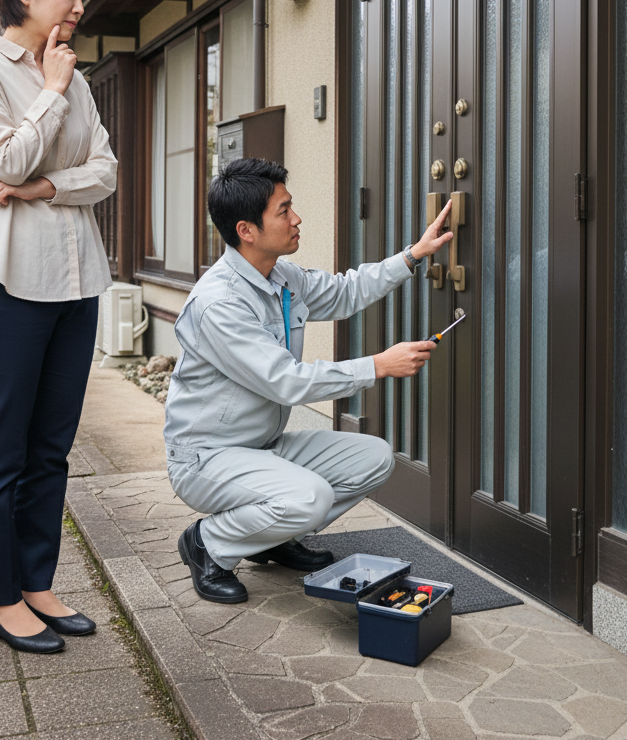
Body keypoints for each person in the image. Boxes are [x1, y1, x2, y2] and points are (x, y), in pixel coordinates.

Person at [164, 157, 454, 603]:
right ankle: (209, 544)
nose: (296, 218)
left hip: (260, 448)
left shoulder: (281, 276)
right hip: (207, 458)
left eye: (291, 206)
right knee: (311, 497)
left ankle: (267, 537)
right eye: (283, 211)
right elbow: (286, 382)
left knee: (374, 457)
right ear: (246, 230)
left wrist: (414, 255)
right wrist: (378, 365)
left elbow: (343, 292)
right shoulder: (219, 304)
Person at [0, 0, 117, 653]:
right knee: (0, 451)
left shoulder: (78, 78)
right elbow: (4, 155)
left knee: (50, 449)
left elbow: (105, 172)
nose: (80, 3)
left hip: (77, 283)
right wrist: (46, 93)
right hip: (9, 284)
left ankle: (37, 583)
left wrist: (44, 186)